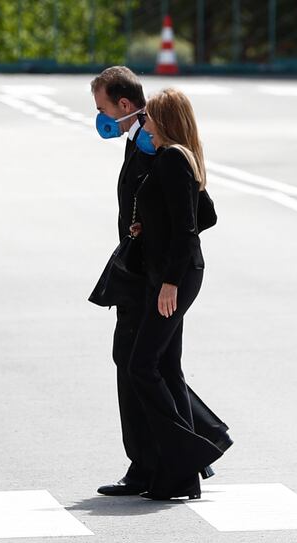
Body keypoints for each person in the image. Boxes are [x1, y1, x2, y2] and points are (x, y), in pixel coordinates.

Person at [90, 68, 232, 497]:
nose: (98, 118)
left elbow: (196, 215)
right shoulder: (142, 144)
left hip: (153, 276)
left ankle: (158, 462)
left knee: (138, 364)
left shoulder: (157, 148)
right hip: (145, 271)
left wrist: (157, 250)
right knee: (155, 365)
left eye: (101, 109)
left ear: (126, 107)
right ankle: (193, 447)